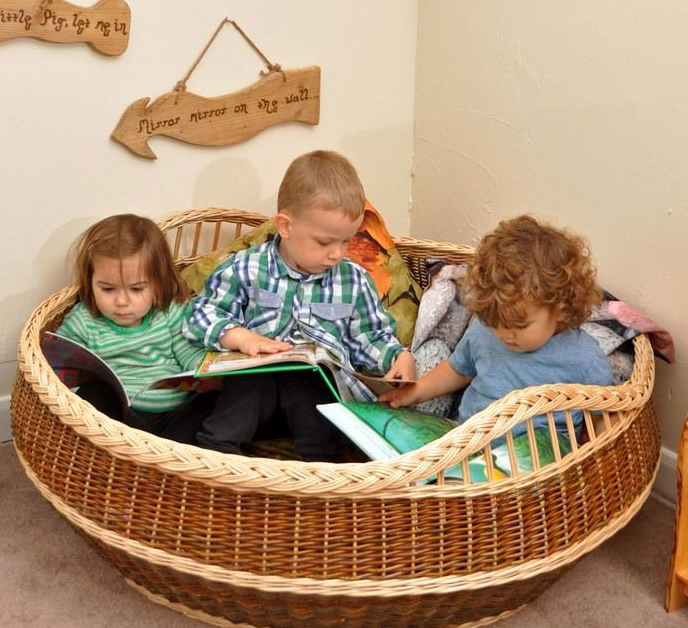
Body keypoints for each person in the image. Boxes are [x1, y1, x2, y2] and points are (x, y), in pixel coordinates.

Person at [183, 150, 416, 460]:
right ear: (285, 226)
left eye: (346, 241)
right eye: (324, 242)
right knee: (249, 384)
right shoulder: (247, 268)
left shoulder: (353, 280)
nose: (337, 254)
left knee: (310, 382)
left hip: (314, 401)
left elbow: (369, 336)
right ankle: (216, 455)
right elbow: (199, 314)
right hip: (254, 398)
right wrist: (241, 337)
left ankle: (321, 466)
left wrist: (397, 357)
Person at [379, 214, 614, 441]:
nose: (504, 333)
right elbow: (458, 370)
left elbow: (604, 415)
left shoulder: (584, 358)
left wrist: (603, 445)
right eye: (495, 321)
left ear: (561, 309)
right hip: (466, 447)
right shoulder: (484, 332)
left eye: (519, 325)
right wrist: (416, 391)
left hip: (536, 467)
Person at [56, 214, 214, 443]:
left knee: (214, 400)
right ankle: (132, 454)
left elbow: (188, 351)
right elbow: (61, 370)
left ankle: (165, 455)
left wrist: (206, 374)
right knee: (95, 394)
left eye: (136, 289)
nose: (121, 301)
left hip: (175, 414)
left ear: (158, 284)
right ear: (90, 282)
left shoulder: (168, 312)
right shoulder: (83, 321)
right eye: (108, 289)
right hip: (122, 421)